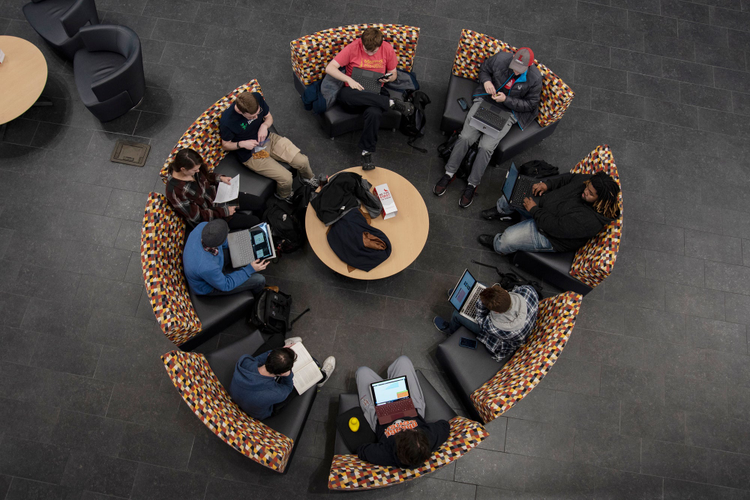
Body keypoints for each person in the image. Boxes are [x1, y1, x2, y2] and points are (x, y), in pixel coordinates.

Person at [434, 47, 542, 208]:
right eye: (514, 67)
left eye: (521, 70)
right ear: (512, 57)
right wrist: (486, 82)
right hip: (485, 101)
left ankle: (472, 184)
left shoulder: (535, 78)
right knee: (465, 137)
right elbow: (484, 69)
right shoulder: (500, 59)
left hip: (507, 111)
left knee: (486, 147)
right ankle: (449, 172)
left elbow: (530, 104)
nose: (516, 72)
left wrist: (506, 100)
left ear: (529, 66)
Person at [325, 27, 414, 170]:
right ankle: (391, 103)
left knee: (374, 112)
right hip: (354, 94)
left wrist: (387, 78)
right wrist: (350, 80)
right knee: (344, 95)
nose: (369, 53)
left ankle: (366, 152)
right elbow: (330, 68)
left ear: (380, 44)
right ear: (362, 42)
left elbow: (394, 74)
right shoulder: (353, 47)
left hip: (375, 90)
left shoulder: (387, 49)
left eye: (373, 51)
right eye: (367, 50)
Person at [478, 171, 621, 255]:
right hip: (545, 207)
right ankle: (502, 211)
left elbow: (555, 227)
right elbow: (568, 178)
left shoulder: (589, 221)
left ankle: (497, 244)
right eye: (587, 188)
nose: (585, 191)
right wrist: (547, 184)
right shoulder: (589, 183)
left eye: (590, 193)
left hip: (551, 235)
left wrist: (534, 210)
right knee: (512, 194)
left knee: (508, 239)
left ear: (601, 200)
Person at [220, 91, 320, 203]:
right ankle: (284, 195)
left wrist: (264, 125)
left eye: (258, 113)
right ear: (240, 111)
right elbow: (225, 145)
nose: (257, 117)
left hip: (268, 139)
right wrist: (242, 144)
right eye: (252, 116)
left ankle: (307, 178)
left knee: (303, 161)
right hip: (251, 153)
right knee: (286, 178)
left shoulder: (256, 98)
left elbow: (268, 117)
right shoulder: (227, 121)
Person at [355, 356, 450, 468]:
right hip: (410, 407)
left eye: (403, 432)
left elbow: (362, 451)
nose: (407, 428)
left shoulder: (387, 454)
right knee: (403, 361)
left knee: (362, 372)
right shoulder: (428, 439)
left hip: (380, 415)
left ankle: (383, 387)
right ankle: (391, 384)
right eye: (415, 430)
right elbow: (445, 425)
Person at [230, 337, 336, 420]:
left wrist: (278, 354)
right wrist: (288, 375)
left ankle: (282, 351)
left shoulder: (244, 362)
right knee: (296, 387)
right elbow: (288, 387)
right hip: (261, 412)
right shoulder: (275, 392)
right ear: (281, 373)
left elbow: (257, 359)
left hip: (239, 393)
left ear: (270, 354)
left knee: (274, 340)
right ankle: (322, 377)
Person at [433, 284, 539, 362]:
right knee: (482, 290)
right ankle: (459, 298)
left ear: (496, 311)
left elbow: (480, 320)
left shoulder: (495, 326)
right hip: (524, 321)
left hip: (501, 339)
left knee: (457, 314)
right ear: (506, 292)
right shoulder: (528, 290)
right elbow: (515, 289)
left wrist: (481, 302)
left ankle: (450, 330)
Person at [165, 148, 264, 230]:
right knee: (254, 221)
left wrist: (220, 178)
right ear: (183, 169)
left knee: (259, 202)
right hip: (212, 214)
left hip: (219, 195)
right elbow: (197, 217)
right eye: (195, 170)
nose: (198, 171)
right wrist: (224, 211)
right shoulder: (174, 192)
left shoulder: (194, 169)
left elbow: (207, 176)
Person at [183, 219, 268, 296]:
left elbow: (225, 242)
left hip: (214, 267)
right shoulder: (206, 267)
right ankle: (259, 296)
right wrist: (250, 269)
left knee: (243, 246)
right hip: (211, 287)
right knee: (259, 279)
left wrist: (243, 243)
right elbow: (226, 285)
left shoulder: (203, 226)